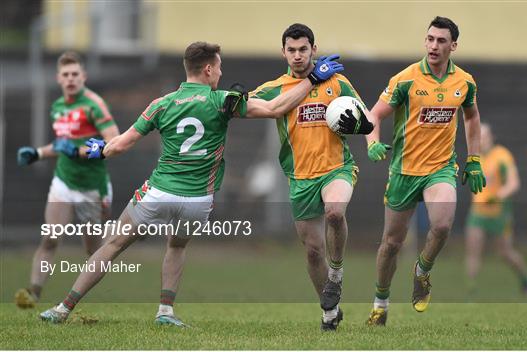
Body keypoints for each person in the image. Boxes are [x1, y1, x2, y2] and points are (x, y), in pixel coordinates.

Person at [39, 41, 345, 326]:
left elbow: (121, 144)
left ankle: (63, 308)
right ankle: (165, 311)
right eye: (220, 67)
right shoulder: (223, 101)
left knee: (114, 244)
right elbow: (275, 108)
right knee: (177, 245)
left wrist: (100, 150)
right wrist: (312, 80)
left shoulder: (162, 103)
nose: (221, 72)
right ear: (209, 69)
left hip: (157, 193)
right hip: (198, 201)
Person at [340, 16, 486, 326]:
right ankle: (380, 303)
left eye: (441, 41)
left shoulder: (464, 82)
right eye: (430, 39)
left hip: (441, 169)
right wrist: (372, 143)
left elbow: (472, 118)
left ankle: (422, 270)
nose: (434, 45)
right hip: (404, 172)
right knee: (391, 244)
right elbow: (373, 114)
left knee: (443, 225)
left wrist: (474, 160)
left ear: (453, 46)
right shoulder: (405, 79)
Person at [250, 23, 374, 331]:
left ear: (314, 50)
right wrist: (233, 97)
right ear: (283, 53)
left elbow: (367, 118)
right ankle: (329, 313)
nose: (297, 56)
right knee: (313, 250)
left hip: (337, 168)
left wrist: (362, 129)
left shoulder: (337, 82)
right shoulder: (276, 87)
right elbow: (247, 104)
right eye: (291, 50)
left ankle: (337, 273)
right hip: (300, 177)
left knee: (334, 212)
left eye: (303, 49)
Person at [15, 51, 119, 308]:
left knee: (93, 251)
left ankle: (123, 230)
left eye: (75, 74)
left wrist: (80, 151)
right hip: (64, 181)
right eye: (66, 75)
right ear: (58, 78)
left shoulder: (94, 105)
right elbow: (62, 144)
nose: (71, 79)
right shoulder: (58, 107)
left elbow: (114, 140)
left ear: (83, 76)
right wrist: (38, 153)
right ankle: (34, 293)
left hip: (92, 187)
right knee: (50, 236)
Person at [465, 123, 527, 295]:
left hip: (499, 213)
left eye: (485, 135)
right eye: (478, 136)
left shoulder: (502, 156)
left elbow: (513, 183)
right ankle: (471, 288)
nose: (481, 139)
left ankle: (525, 279)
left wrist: (497, 196)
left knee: (505, 252)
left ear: (492, 137)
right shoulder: (474, 159)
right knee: (473, 250)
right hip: (478, 212)